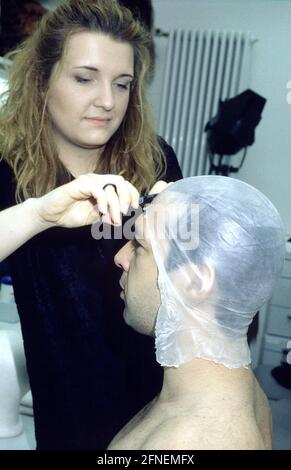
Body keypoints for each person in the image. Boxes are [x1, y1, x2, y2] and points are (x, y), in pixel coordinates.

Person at [0, 0, 183, 449]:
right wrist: (39, 213)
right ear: (42, 80)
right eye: (85, 78)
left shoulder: (155, 159)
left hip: (157, 403)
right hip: (66, 406)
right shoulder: (8, 168)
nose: (107, 101)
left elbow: (187, 280)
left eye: (122, 85)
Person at [111, 176, 286, 450]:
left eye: (139, 245)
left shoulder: (189, 441)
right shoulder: (240, 386)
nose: (120, 257)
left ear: (195, 282)